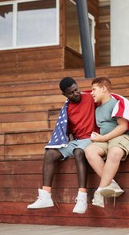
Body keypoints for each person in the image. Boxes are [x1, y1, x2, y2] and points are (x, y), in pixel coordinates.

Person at [27, 77, 97, 214]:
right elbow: (65, 130)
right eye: (71, 93)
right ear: (64, 95)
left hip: (92, 139)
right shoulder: (66, 109)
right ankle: (46, 195)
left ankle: (82, 197)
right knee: (50, 153)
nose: (75, 94)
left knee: (78, 152)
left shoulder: (90, 98)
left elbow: (108, 99)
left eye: (76, 89)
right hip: (76, 140)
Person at [85, 77, 129, 208]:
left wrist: (102, 138)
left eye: (94, 90)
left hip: (121, 137)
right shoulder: (97, 109)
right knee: (89, 150)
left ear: (104, 89)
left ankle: (100, 192)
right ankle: (111, 183)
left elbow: (123, 126)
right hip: (105, 139)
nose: (91, 93)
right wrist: (99, 137)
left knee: (114, 152)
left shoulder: (116, 104)